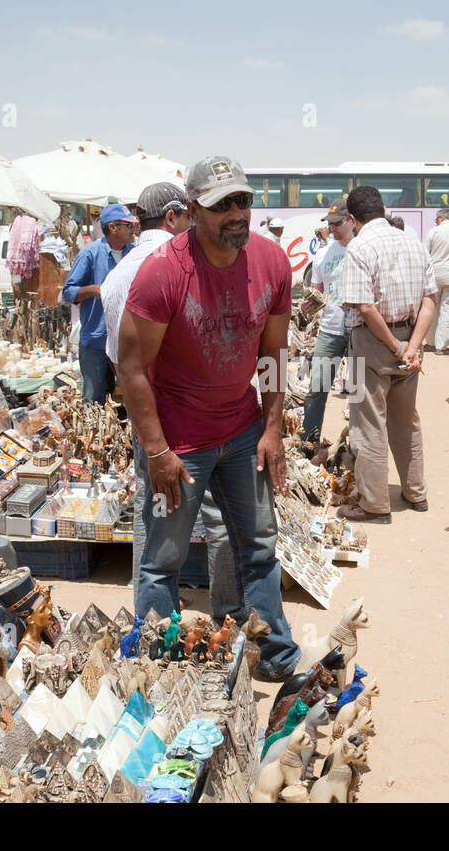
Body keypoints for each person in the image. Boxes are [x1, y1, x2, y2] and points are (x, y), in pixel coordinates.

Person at [118, 155, 300, 682]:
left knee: (260, 548)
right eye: (222, 205)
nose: (237, 213)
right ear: (192, 209)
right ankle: (160, 673)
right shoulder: (163, 271)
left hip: (242, 431)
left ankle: (275, 657)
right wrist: (156, 452)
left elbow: (274, 353)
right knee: (162, 560)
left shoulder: (270, 262)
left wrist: (272, 429)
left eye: (243, 200)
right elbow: (130, 366)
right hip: (177, 441)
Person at [336, 184, 437, 523]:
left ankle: (375, 504)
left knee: (368, 422)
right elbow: (429, 300)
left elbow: (365, 306)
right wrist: (414, 345)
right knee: (405, 421)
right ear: (382, 209)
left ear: (353, 218)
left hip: (373, 342)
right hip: (410, 337)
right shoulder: (413, 241)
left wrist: (396, 347)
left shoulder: (359, 246)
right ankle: (415, 493)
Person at [62, 202, 136, 405]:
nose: (133, 230)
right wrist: (96, 290)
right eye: (128, 226)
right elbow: (68, 292)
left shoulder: (135, 253)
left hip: (126, 341)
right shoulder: (90, 254)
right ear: (113, 227)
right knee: (94, 403)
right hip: (96, 340)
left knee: (134, 399)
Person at [301, 199, 356, 458]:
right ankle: (308, 445)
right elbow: (318, 291)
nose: (331, 229)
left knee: (359, 394)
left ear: (351, 220)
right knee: (317, 390)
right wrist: (309, 304)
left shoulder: (362, 248)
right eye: (329, 224)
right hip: (330, 330)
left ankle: (356, 451)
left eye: (336, 223)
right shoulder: (323, 254)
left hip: (360, 332)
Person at [424, 207, 449, 355]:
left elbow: (425, 254)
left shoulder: (433, 232)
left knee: (431, 309)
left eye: (436, 219)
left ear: (441, 218)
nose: (435, 221)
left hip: (434, 275)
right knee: (447, 311)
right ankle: (441, 346)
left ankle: (430, 342)